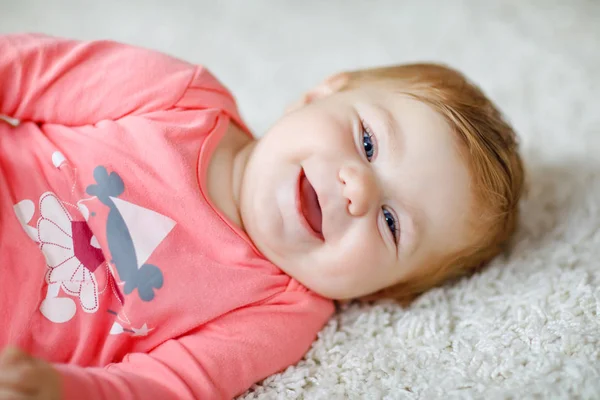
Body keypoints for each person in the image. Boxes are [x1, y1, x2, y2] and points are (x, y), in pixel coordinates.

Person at [0, 33, 524, 399]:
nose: (358, 190)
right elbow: (25, 70)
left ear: (379, 291)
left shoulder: (279, 314)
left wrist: (62, 389)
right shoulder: (179, 100)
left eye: (391, 224)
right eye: (366, 141)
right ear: (321, 94)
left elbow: (169, 385)